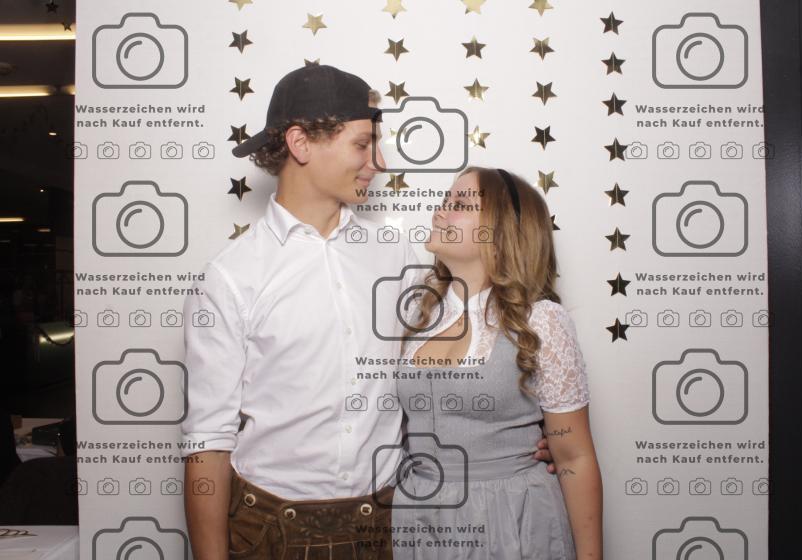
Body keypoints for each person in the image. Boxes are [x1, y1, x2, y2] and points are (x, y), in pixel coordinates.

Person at [180, 65, 557, 560]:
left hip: (388, 521)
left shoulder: (397, 254)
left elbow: (467, 346)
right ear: (300, 143)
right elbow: (207, 441)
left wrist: (535, 435)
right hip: (270, 526)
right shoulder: (230, 276)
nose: (377, 162)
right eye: (363, 144)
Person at [389, 167, 603, 559]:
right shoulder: (420, 314)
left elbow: (574, 455)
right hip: (421, 518)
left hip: (511, 516)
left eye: (459, 204)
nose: (439, 210)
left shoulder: (541, 321)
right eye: (445, 200)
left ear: (500, 232)